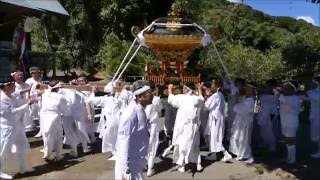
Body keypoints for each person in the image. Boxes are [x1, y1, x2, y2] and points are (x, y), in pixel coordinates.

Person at [115, 80, 153, 180]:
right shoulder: (131, 113)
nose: (152, 95)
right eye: (149, 92)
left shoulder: (140, 109)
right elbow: (123, 141)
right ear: (139, 97)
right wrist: (125, 170)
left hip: (136, 162)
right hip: (129, 165)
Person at [167, 83, 204, 172]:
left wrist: (170, 89)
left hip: (182, 125)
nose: (183, 90)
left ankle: (182, 165)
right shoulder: (195, 99)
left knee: (181, 143)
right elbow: (201, 99)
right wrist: (199, 89)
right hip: (193, 126)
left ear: (187, 89)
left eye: (184, 88)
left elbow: (171, 100)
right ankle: (198, 163)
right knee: (194, 144)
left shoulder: (181, 97)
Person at [0, 78, 33, 179]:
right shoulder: (2, 99)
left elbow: (19, 97)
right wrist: (27, 104)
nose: (15, 87)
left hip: (17, 125)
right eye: (13, 86)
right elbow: (11, 112)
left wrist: (31, 95)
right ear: (6, 87)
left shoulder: (12, 95)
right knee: (5, 150)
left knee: (22, 145)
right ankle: (1, 171)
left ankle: (23, 168)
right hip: (8, 127)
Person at [88, 82, 121, 160]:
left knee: (109, 136)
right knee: (113, 136)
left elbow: (91, 100)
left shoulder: (106, 99)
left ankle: (116, 153)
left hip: (111, 121)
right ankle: (115, 152)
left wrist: (93, 92)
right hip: (118, 120)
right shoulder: (119, 97)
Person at [40, 81, 70, 161]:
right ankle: (58, 155)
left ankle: (47, 151)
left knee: (47, 135)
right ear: (58, 88)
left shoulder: (45, 94)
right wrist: (66, 113)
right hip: (54, 116)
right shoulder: (60, 97)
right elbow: (65, 110)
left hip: (44, 116)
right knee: (58, 136)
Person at [204, 79, 232, 162]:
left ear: (217, 86)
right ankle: (213, 154)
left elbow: (206, 107)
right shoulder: (220, 94)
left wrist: (207, 97)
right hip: (217, 118)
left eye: (212, 84)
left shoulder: (215, 96)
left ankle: (225, 154)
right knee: (213, 137)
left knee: (215, 137)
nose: (211, 86)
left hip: (215, 118)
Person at [229, 85, 256, 164]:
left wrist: (237, 101)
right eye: (246, 89)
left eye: (249, 90)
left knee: (244, 139)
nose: (246, 91)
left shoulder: (250, 100)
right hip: (241, 121)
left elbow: (239, 109)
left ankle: (248, 156)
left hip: (245, 122)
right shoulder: (246, 98)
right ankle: (240, 154)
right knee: (239, 138)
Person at [279, 81, 300, 164]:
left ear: (293, 89)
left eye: (288, 88)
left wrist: (282, 97)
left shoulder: (295, 98)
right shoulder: (283, 96)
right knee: (286, 140)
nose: (285, 89)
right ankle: (289, 157)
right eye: (284, 88)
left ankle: (292, 159)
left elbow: (292, 110)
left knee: (290, 140)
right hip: (284, 121)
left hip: (291, 122)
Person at [145, 82, 163, 177]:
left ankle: (143, 165)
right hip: (153, 125)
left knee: (143, 145)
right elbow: (160, 111)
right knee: (152, 146)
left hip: (143, 124)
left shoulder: (142, 98)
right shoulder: (156, 99)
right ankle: (150, 168)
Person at [256, 80, 278, 152]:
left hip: (271, 113)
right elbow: (259, 103)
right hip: (262, 113)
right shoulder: (262, 93)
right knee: (263, 129)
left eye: (269, 85)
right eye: (267, 85)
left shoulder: (276, 93)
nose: (267, 87)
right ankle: (265, 142)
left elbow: (276, 95)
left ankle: (272, 144)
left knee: (270, 129)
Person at [304, 79, 320, 158]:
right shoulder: (313, 92)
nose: (310, 84)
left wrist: (308, 91)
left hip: (318, 116)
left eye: (312, 83)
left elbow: (316, 98)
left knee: (317, 134)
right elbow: (308, 99)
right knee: (315, 135)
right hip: (314, 115)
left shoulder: (315, 92)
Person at [25, 67, 42, 137]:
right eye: (34, 73)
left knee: (40, 114)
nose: (36, 74)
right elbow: (27, 91)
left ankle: (40, 129)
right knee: (32, 114)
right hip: (32, 99)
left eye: (38, 72)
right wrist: (28, 99)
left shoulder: (40, 80)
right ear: (31, 74)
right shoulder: (29, 80)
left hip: (40, 99)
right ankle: (33, 127)